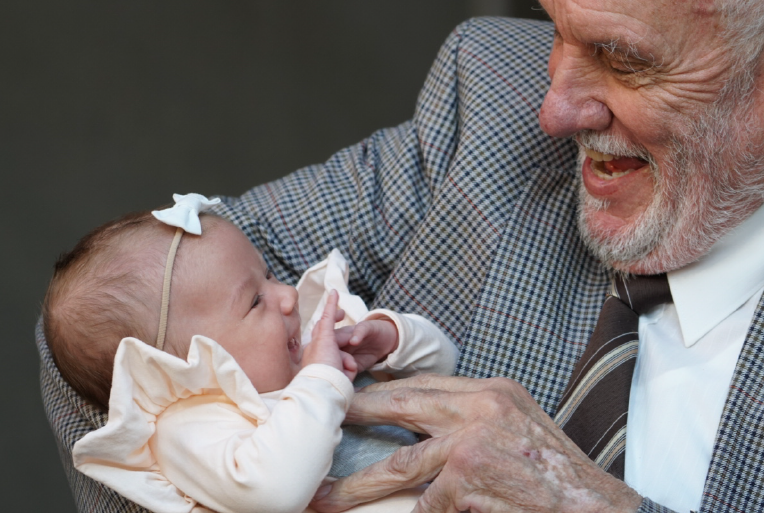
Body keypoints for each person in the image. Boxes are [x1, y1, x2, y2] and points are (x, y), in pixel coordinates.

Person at [38, 0, 764, 510]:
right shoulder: (488, 102)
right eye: (555, 26)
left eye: (621, 57)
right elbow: (115, 338)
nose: (553, 107)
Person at [43, 195, 458, 513]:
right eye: (255, 301)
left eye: (269, 274)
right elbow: (274, 493)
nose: (288, 295)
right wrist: (321, 382)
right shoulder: (191, 424)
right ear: (179, 369)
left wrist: (393, 339)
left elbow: (448, 374)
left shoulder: (314, 341)